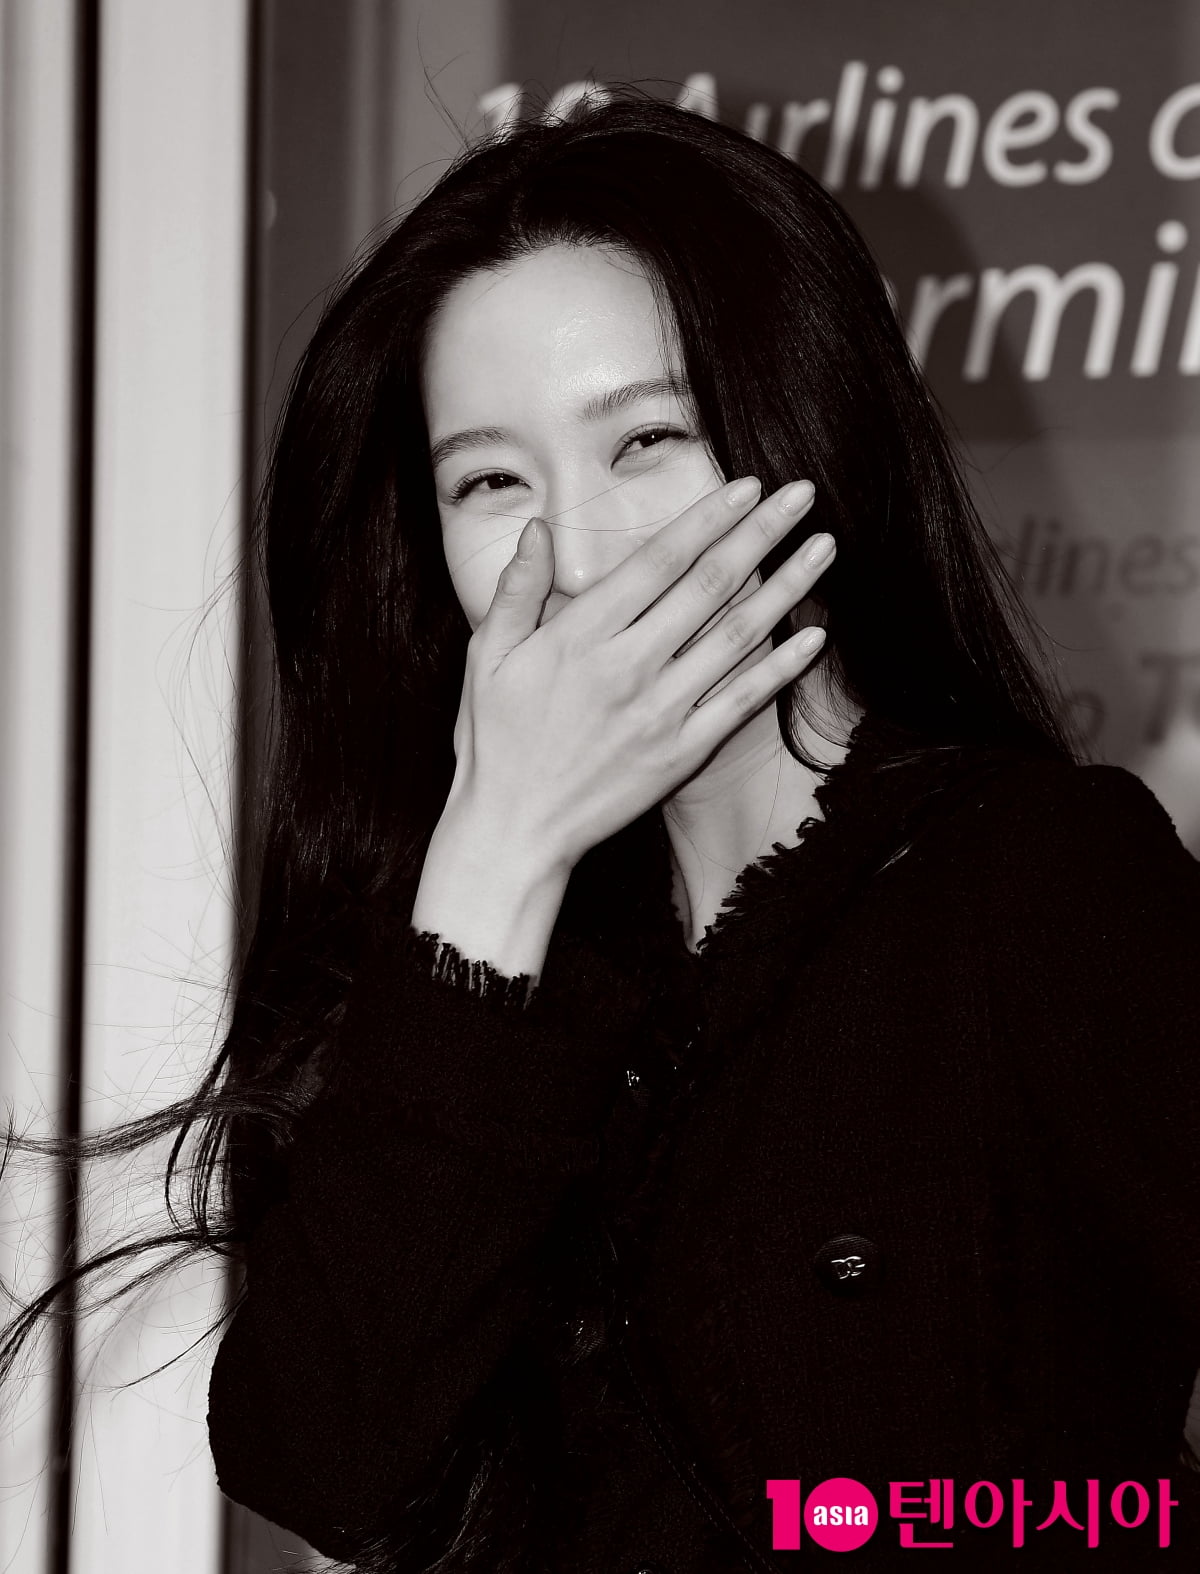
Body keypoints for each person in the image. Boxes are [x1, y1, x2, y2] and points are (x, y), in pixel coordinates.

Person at [4, 91, 1199, 1573]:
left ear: (806, 430)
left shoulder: (1039, 878)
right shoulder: (482, 971)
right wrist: (496, 858)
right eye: (490, 480)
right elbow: (319, 1459)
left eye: (646, 439)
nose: (573, 552)